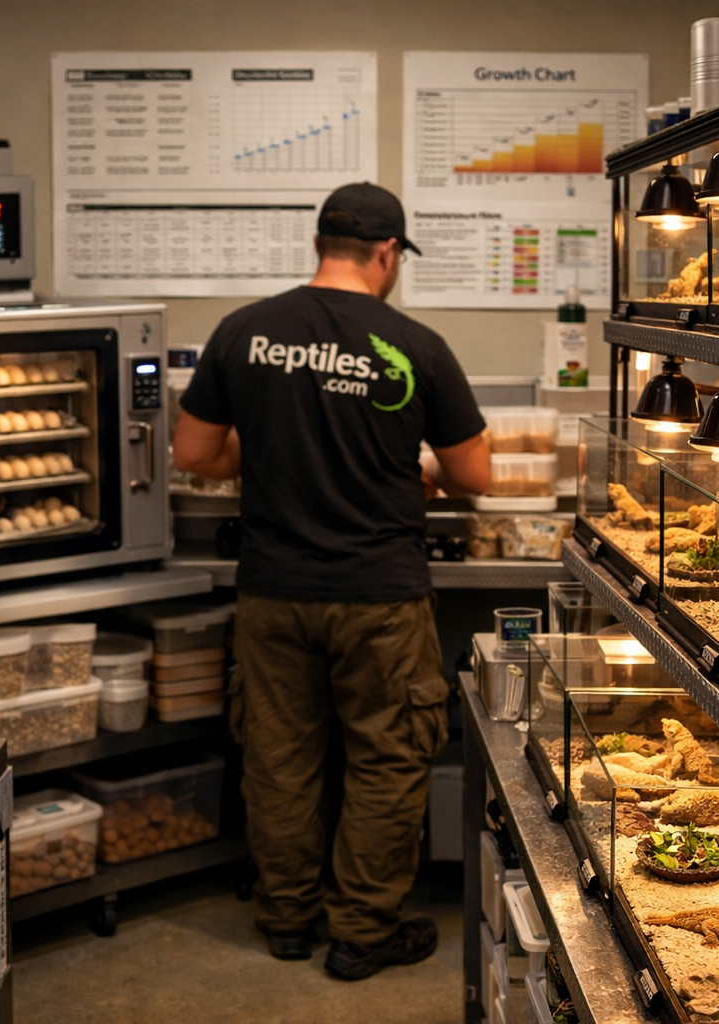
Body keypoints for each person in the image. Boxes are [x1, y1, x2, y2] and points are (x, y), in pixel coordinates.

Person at [172, 182, 491, 981]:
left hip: (273, 591)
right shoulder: (414, 345)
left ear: (319, 245)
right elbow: (476, 473)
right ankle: (361, 932)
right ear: (387, 255)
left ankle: (286, 920)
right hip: (380, 596)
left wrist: (274, 447)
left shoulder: (244, 333)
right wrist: (408, 469)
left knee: (279, 759)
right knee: (388, 761)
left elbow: (195, 456)